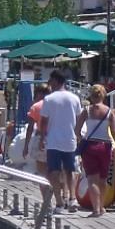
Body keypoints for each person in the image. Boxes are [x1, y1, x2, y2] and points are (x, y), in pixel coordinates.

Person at [37, 70, 85, 212]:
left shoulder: (49, 99)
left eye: (51, 81)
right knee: (70, 170)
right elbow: (79, 119)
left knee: (54, 172)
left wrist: (41, 138)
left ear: (57, 81)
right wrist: (77, 134)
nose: (50, 84)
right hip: (70, 139)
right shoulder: (75, 98)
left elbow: (44, 121)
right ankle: (71, 198)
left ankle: (58, 201)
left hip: (53, 140)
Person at [77, 83, 115, 217]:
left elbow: (77, 130)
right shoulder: (110, 112)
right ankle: (101, 206)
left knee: (92, 179)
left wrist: (81, 140)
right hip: (105, 145)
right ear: (103, 95)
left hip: (90, 145)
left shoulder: (86, 110)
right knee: (103, 179)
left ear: (91, 95)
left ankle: (96, 209)